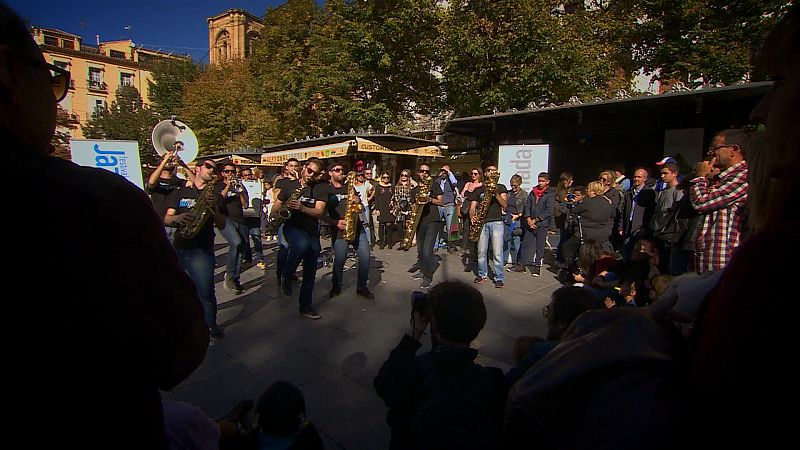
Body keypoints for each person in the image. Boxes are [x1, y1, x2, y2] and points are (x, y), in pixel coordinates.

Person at [3, 5, 209, 447]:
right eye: (55, 81)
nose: (58, 99)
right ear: (9, 75)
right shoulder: (96, 201)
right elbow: (177, 352)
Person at [373, 281, 508, 450]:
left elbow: (382, 385)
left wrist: (415, 331)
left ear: (434, 323)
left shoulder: (412, 374)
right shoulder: (494, 382)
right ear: (479, 324)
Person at [166, 158, 228, 339]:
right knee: (176, 289)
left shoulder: (215, 195)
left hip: (202, 248)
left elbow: (222, 224)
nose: (211, 170)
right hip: (179, 245)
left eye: (214, 169)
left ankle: (210, 326)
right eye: (208, 166)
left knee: (205, 290)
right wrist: (177, 219)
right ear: (198, 169)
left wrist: (214, 207)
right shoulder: (180, 193)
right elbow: (167, 218)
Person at [270, 159, 328, 319]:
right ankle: (287, 275)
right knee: (301, 245)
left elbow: (319, 212)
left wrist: (302, 208)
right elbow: (277, 204)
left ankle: (305, 305)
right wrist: (273, 217)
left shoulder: (320, 188)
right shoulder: (289, 185)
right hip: (292, 226)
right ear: (304, 168)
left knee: (310, 270)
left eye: (316, 173)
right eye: (310, 171)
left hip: (311, 230)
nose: (312, 175)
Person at [506, 287, 599, 385]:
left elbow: (506, 383)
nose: (546, 316)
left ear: (562, 323)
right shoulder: (599, 349)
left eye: (549, 310)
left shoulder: (546, 353)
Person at [690, 129, 749, 274]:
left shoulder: (743, 176)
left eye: (715, 148)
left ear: (733, 150)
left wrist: (699, 177)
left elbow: (701, 202)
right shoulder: (722, 179)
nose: (711, 154)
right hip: (708, 260)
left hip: (723, 262)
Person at [325, 163, 375, 300]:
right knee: (340, 260)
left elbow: (360, 207)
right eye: (337, 170)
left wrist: (357, 200)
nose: (341, 172)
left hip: (357, 227)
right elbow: (322, 213)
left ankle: (362, 287)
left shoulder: (349, 187)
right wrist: (335, 223)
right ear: (330, 173)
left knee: (365, 257)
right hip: (340, 230)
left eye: (342, 169)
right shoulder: (326, 190)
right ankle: (336, 286)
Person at [468, 163, 508, 288]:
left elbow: (505, 205)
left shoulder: (501, 187)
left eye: (494, 171)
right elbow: (472, 207)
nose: (491, 172)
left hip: (496, 222)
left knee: (497, 252)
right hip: (482, 223)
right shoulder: (478, 190)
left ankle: (499, 277)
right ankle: (482, 274)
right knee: (481, 251)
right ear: (485, 173)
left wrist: (495, 194)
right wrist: (472, 217)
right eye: (489, 170)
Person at [407, 163, 445, 289]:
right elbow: (413, 206)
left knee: (427, 252)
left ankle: (428, 277)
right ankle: (423, 271)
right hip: (419, 222)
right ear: (418, 173)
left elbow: (442, 201)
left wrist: (430, 199)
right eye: (422, 171)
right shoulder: (414, 190)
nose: (424, 173)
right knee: (421, 252)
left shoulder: (434, 185)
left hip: (433, 221)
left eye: (427, 171)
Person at [560, 181, 615, 266]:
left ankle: (570, 267)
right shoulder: (607, 202)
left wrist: (572, 202)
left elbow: (573, 211)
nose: (587, 191)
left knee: (566, 247)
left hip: (586, 234)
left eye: (588, 189)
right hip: (603, 235)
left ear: (593, 191)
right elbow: (613, 214)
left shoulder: (587, 202)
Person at [147, 149, 196, 242]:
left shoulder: (178, 181)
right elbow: (151, 182)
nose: (169, 161)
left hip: (174, 223)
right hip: (157, 223)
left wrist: (183, 164)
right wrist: (165, 160)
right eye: (165, 160)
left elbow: (195, 183)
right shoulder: (156, 180)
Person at [218, 161, 249, 294]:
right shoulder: (218, 185)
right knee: (236, 242)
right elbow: (219, 201)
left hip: (240, 219)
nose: (230, 174)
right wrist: (227, 187)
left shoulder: (239, 185)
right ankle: (229, 275)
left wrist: (241, 192)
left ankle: (235, 279)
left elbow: (245, 204)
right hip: (225, 219)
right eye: (227, 171)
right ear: (222, 173)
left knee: (241, 249)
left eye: (232, 172)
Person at [519, 172, 554, 277]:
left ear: (547, 182)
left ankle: (537, 266)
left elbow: (549, 210)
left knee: (539, 246)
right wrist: (529, 219)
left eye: (543, 181)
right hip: (530, 222)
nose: (540, 183)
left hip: (542, 224)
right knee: (526, 244)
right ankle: (522, 264)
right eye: (539, 180)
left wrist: (537, 220)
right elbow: (527, 205)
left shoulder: (550, 194)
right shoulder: (533, 192)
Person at [650, 162, 683, 273]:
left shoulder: (678, 191)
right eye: (661, 173)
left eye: (666, 173)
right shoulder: (663, 192)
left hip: (668, 235)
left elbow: (677, 214)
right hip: (657, 232)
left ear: (675, 174)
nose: (662, 176)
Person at [273, 158, 301, 283]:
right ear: (286, 167)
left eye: (296, 165)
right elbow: (276, 196)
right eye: (291, 165)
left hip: (297, 216)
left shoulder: (301, 182)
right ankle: (280, 273)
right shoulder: (281, 181)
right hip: (284, 217)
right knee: (284, 246)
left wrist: (297, 181)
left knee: (295, 248)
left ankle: (291, 272)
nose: (293, 168)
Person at [621, 167, 656, 261]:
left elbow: (651, 212)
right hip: (628, 227)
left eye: (639, 177)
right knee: (626, 252)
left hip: (640, 228)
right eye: (635, 176)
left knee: (639, 254)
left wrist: (645, 227)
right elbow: (623, 211)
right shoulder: (629, 193)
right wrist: (621, 227)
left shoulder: (649, 193)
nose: (636, 179)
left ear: (645, 178)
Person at [240, 167, 265, 270]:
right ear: (242, 176)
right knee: (245, 238)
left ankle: (260, 259)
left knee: (256, 236)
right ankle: (248, 259)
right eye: (245, 175)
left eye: (249, 174)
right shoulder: (240, 184)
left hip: (254, 213)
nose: (248, 177)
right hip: (243, 213)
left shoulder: (258, 183)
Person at [459, 167, 483, 272]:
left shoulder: (481, 185)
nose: (473, 175)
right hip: (466, 208)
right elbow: (463, 194)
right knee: (465, 228)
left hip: (476, 209)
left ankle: (475, 251)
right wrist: (468, 191)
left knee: (474, 229)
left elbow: (478, 197)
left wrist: (470, 194)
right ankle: (464, 247)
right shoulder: (468, 184)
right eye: (472, 173)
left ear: (479, 175)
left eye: (475, 174)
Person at [504, 174, 527, 272]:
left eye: (515, 186)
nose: (513, 188)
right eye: (512, 185)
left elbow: (526, 208)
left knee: (516, 240)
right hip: (507, 217)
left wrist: (517, 216)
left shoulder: (524, 194)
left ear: (519, 184)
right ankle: (504, 260)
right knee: (506, 239)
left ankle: (519, 262)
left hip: (517, 219)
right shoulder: (508, 193)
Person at [437, 164, 459, 252]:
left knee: (452, 226)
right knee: (437, 225)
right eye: (442, 171)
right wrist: (440, 174)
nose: (443, 172)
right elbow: (434, 185)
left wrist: (449, 172)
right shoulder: (439, 180)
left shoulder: (451, 180)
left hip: (449, 205)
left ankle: (451, 245)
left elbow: (454, 182)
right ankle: (435, 244)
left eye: (445, 171)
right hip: (439, 205)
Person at [376, 171, 398, 249]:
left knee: (389, 226)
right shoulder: (378, 187)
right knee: (381, 226)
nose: (386, 179)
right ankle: (382, 243)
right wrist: (377, 209)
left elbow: (395, 197)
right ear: (381, 178)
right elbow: (376, 199)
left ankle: (389, 242)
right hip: (381, 207)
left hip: (389, 208)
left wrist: (394, 207)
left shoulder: (392, 187)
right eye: (384, 177)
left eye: (387, 177)